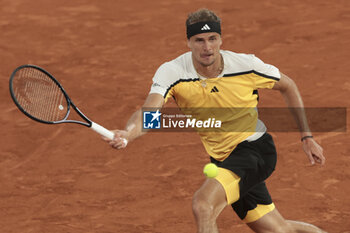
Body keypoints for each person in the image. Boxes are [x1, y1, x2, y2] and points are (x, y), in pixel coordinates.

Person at [105, 8, 326, 233]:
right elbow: (150, 111)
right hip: (223, 159)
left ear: (221, 40)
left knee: (203, 205)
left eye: (212, 39)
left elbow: (288, 86)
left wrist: (306, 137)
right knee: (278, 230)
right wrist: (128, 133)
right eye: (199, 40)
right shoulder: (172, 72)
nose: (207, 47)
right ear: (189, 42)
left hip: (255, 151)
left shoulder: (245, 65)